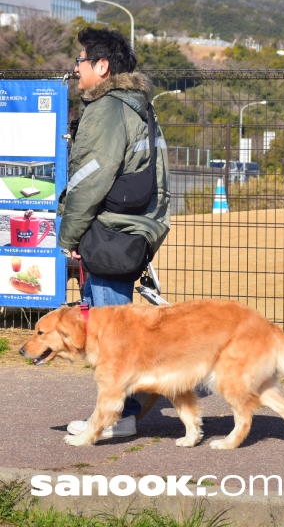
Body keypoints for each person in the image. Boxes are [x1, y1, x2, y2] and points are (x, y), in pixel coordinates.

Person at [60, 28, 170, 441]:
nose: (75, 69)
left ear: (102, 67)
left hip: (112, 228)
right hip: (131, 224)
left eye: (80, 61)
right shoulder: (137, 103)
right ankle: (119, 409)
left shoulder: (108, 107)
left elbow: (92, 176)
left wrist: (67, 235)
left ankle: (115, 417)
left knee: (110, 332)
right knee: (113, 325)